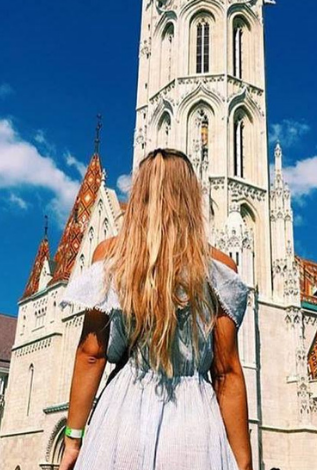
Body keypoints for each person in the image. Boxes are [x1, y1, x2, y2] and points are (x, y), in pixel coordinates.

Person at [58, 149, 252, 470]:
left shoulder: (111, 255)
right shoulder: (219, 267)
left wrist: (73, 438)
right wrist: (243, 462)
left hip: (122, 417)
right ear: (192, 198)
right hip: (194, 425)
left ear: (138, 195)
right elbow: (226, 373)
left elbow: (91, 354)